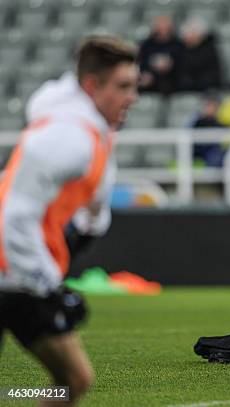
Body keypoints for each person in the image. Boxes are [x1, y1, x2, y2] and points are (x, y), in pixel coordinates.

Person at [0, 35, 138, 405]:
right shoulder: (69, 138)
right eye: (123, 87)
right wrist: (48, 286)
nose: (133, 97)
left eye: (135, 85)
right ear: (91, 86)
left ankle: (8, 397)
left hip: (18, 272)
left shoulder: (90, 128)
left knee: (72, 380)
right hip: (15, 269)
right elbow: (12, 217)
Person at [138, 15, 183, 95]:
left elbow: (184, 64)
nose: (163, 28)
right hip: (151, 81)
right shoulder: (146, 44)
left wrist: (170, 66)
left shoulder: (178, 44)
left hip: (173, 81)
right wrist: (146, 72)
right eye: (160, 25)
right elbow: (141, 62)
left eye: (166, 25)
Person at [178, 17, 223, 92]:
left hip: (206, 89)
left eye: (190, 33)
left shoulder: (209, 50)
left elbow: (213, 74)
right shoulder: (181, 50)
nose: (186, 36)